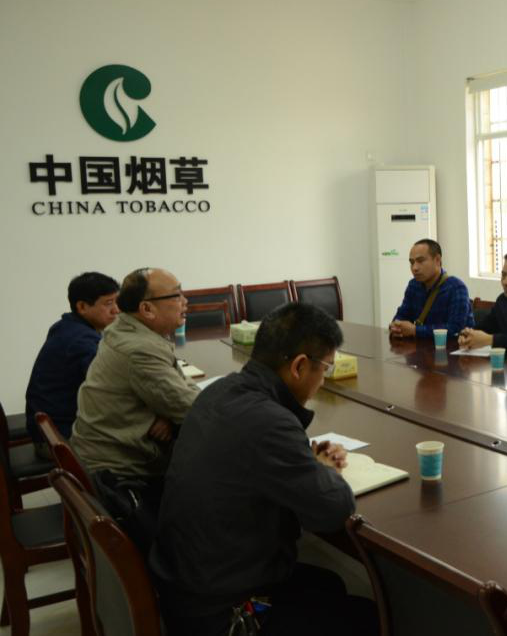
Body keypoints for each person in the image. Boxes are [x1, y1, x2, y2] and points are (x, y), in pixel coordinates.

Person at [151, 303, 376, 636]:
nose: (322, 380)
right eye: (325, 368)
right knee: (372, 618)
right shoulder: (269, 421)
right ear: (299, 366)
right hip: (225, 613)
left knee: (329, 584)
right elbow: (333, 509)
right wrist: (328, 472)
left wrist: (304, 462)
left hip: (187, 583)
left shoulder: (220, 391)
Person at [71, 267, 198, 480]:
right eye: (177, 295)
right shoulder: (139, 349)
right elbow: (190, 408)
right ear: (147, 309)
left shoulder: (124, 328)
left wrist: (168, 412)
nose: (185, 301)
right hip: (120, 472)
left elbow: (179, 389)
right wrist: (173, 410)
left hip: (103, 452)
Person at [24, 272, 119, 460]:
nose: (116, 310)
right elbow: (112, 388)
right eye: (108, 303)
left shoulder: (67, 326)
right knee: (141, 446)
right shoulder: (81, 340)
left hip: (49, 431)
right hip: (60, 440)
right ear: (82, 307)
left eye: (118, 301)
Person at [389, 238, 474, 339]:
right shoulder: (413, 285)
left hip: (452, 347)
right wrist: (396, 327)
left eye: (420, 261)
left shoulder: (456, 288)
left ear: (437, 260)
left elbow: (455, 329)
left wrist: (415, 331)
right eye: (412, 262)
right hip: (420, 347)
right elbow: (401, 315)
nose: (415, 268)